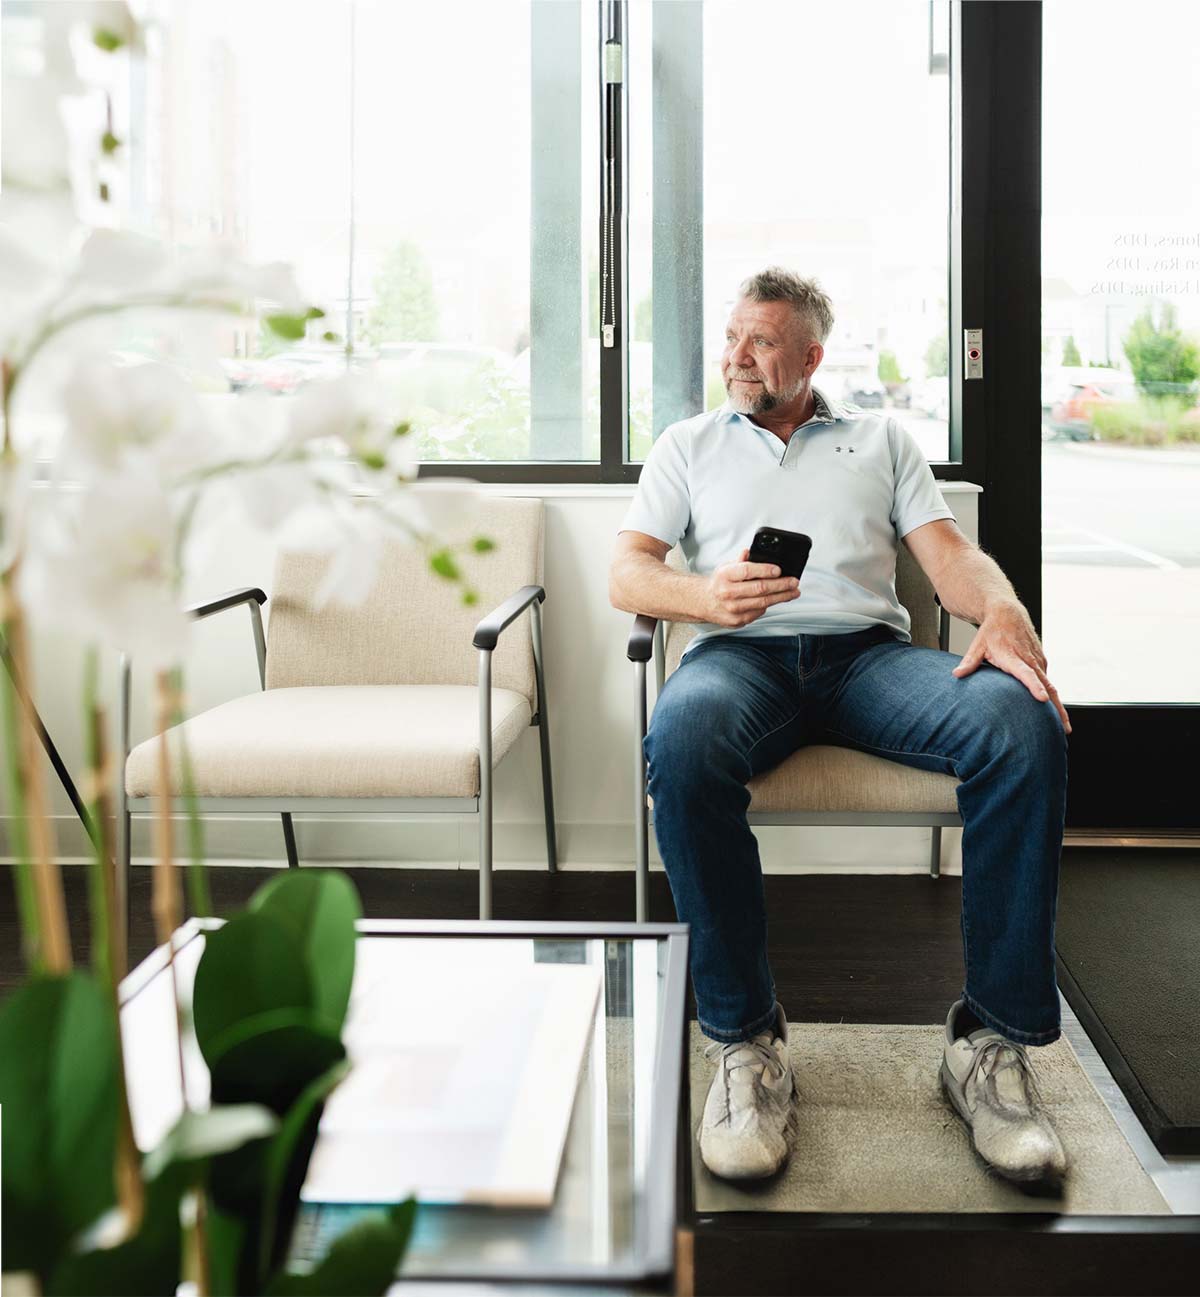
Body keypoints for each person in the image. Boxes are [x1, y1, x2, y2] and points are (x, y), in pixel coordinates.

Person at [608, 267, 1071, 1187]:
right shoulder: (687, 443)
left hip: (869, 660)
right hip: (739, 659)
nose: (738, 356)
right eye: (733, 336)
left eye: (762, 340)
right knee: (683, 739)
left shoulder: (879, 440)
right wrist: (705, 595)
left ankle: (989, 1044)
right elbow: (628, 572)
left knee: (1023, 723)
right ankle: (745, 1044)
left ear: (811, 356)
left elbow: (949, 561)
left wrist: (1004, 607)